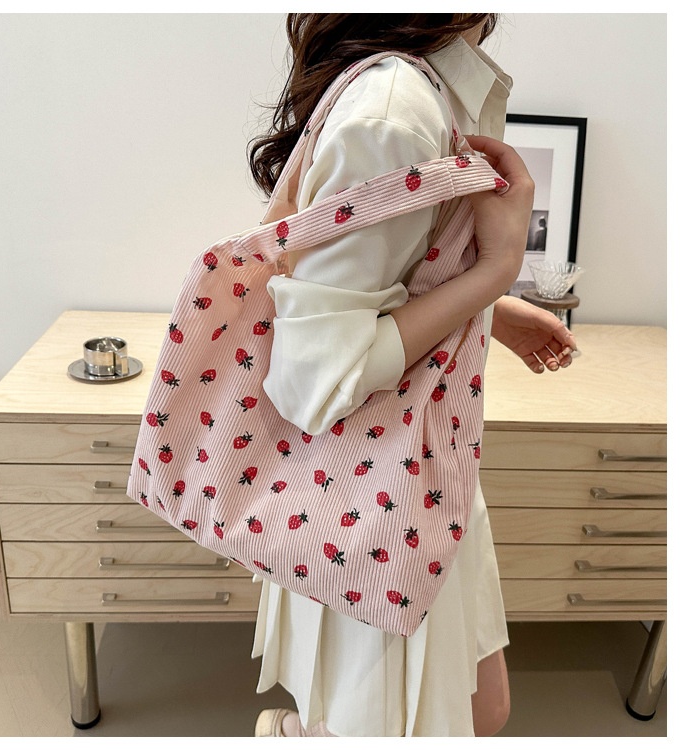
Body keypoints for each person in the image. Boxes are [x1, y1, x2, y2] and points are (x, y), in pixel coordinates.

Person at [247, 14, 577, 737]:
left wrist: (489, 308)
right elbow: (315, 378)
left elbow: (379, 281)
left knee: (478, 708)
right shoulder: (394, 113)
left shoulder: (411, 87)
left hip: (422, 462)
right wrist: (494, 272)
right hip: (373, 490)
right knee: (404, 724)